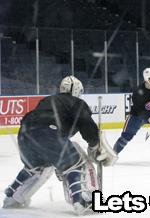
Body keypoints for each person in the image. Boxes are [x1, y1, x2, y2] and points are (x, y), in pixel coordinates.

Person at [2, 76, 116, 215]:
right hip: (49, 133)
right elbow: (85, 123)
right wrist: (94, 144)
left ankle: (12, 196)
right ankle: (81, 201)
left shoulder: (48, 100)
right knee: (76, 162)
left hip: (24, 135)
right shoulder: (76, 102)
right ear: (76, 91)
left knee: (37, 167)